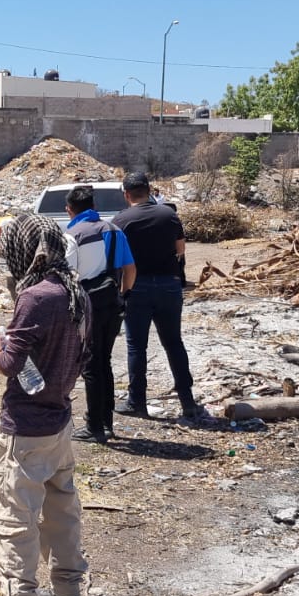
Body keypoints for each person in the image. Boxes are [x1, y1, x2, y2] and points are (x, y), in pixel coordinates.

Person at [0, 212, 90, 596]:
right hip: (59, 419)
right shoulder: (75, 292)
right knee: (62, 508)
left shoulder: (35, 296)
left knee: (16, 519)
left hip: (26, 428)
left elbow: (9, 366)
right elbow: (75, 356)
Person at [111, 172, 202, 420]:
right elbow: (180, 250)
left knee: (136, 346)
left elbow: (117, 261)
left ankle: (137, 402)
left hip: (136, 287)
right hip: (169, 286)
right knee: (173, 343)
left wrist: (122, 292)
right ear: (149, 190)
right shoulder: (169, 215)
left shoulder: (121, 220)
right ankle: (188, 402)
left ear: (126, 194)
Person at [64, 184, 136, 444]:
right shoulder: (114, 230)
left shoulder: (73, 234)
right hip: (113, 303)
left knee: (91, 366)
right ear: (93, 206)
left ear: (69, 210)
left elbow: (69, 276)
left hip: (88, 306)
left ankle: (95, 427)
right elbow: (130, 269)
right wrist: (124, 296)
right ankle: (106, 423)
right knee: (104, 362)